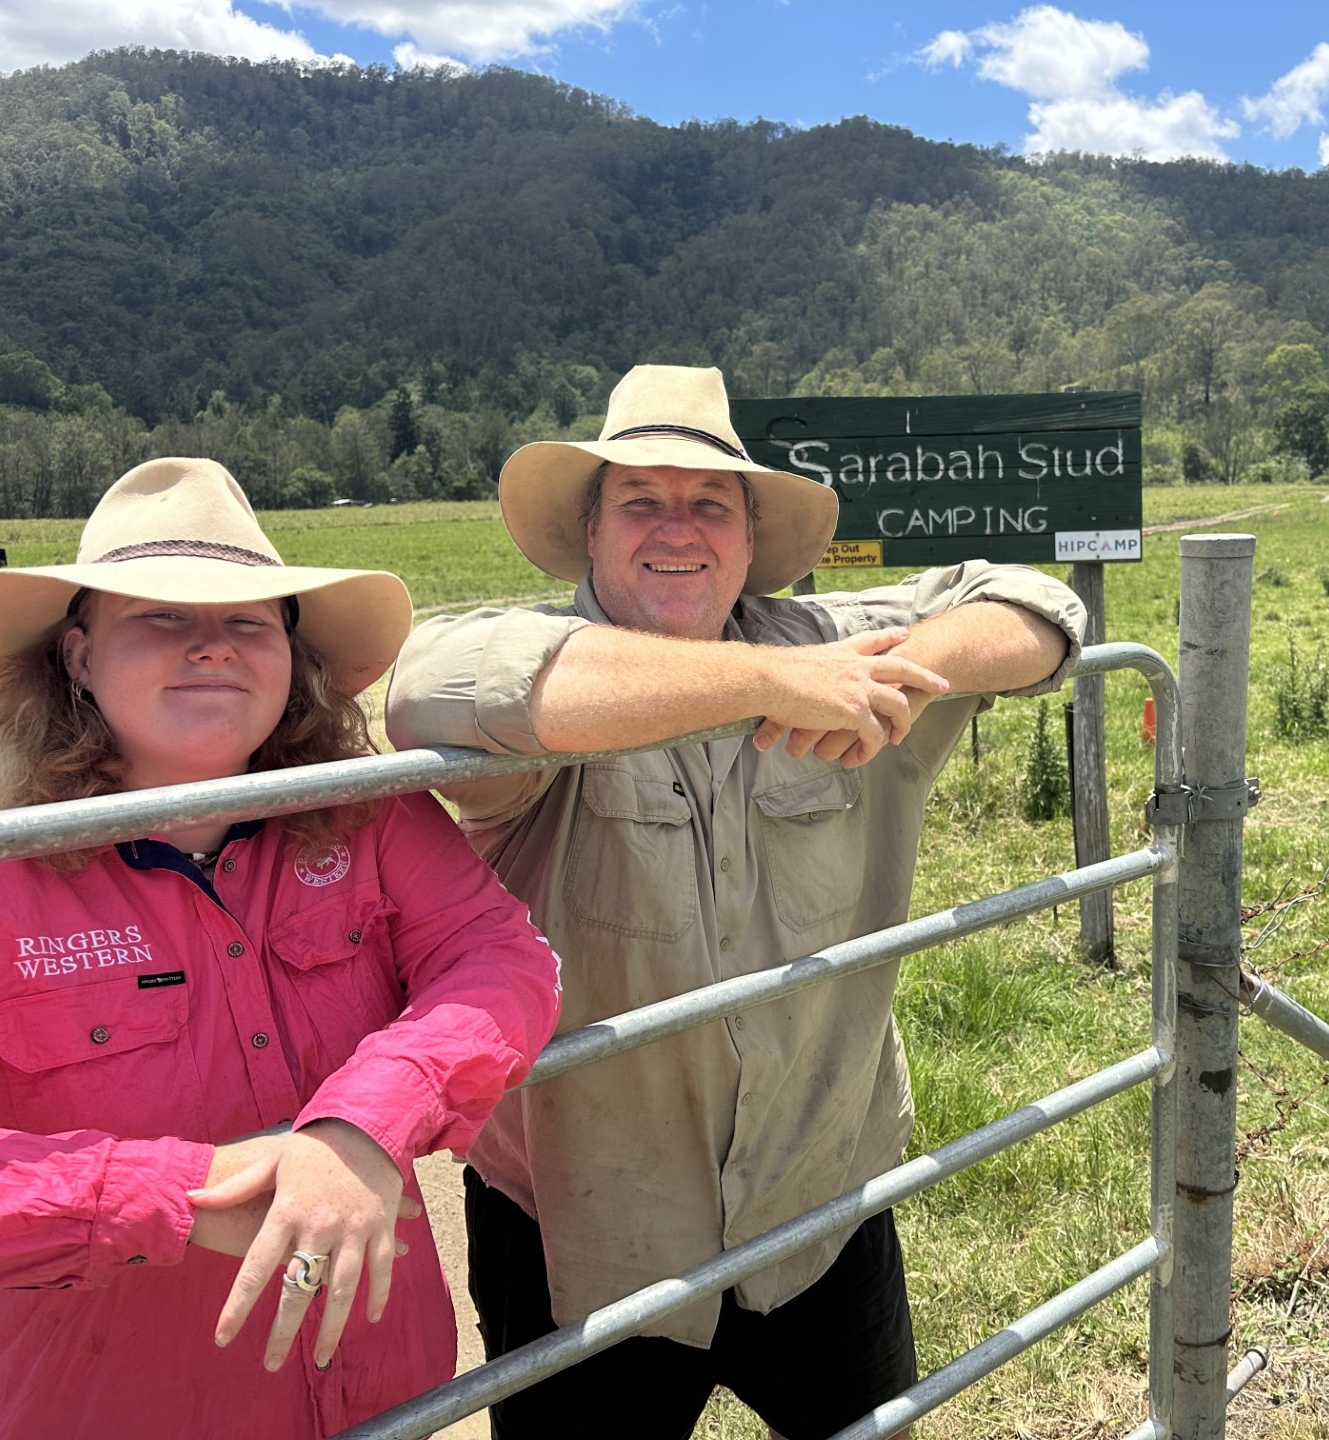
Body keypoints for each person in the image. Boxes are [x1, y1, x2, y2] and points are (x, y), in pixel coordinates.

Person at [386, 364, 1085, 1439]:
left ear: (751, 540)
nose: (680, 529)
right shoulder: (543, 681)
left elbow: (1038, 603)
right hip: (581, 1234)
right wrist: (762, 688)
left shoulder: (834, 648)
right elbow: (424, 685)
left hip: (817, 1208)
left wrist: (890, 682)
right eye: (643, 502)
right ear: (590, 533)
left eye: (712, 503)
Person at [0, 457, 561, 1439]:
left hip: (382, 1398)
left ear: (287, 657)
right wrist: (182, 1193)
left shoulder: (371, 821)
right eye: (164, 617)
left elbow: (500, 959)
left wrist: (362, 1126)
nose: (212, 646)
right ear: (80, 657)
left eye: (248, 620)